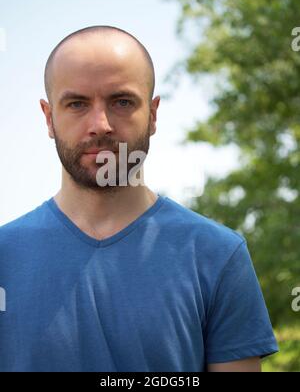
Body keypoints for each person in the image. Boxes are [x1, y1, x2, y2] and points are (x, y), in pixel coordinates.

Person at [0, 25, 278, 372]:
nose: (100, 124)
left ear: (153, 114)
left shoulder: (218, 255)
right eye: (77, 104)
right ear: (48, 118)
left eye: (121, 101)